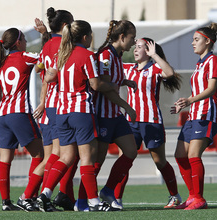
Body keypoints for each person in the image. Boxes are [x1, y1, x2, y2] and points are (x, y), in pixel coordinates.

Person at [37, 20, 120, 212]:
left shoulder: (61, 54)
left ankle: (45, 194)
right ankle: (94, 202)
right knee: (87, 159)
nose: (91, 38)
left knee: (65, 156)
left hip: (61, 111)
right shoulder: (87, 55)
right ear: (85, 37)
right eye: (90, 35)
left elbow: (48, 77)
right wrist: (113, 86)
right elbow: (95, 84)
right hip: (81, 111)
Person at [77, 20, 138, 211]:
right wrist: (127, 107)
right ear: (121, 37)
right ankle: (80, 201)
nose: (134, 42)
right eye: (132, 38)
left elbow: (113, 81)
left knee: (131, 151)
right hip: (103, 115)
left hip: (114, 115)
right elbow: (104, 88)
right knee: (96, 162)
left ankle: (108, 190)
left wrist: (125, 82)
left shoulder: (117, 56)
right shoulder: (105, 56)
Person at [119, 37, 182, 209]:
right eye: (136, 47)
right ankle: (116, 198)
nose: (135, 49)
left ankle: (175, 196)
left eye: (140, 47)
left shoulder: (155, 68)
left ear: (148, 51)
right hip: (130, 122)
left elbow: (169, 73)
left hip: (151, 121)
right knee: (124, 160)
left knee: (159, 161)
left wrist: (155, 55)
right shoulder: (127, 68)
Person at [0, 28, 45, 211]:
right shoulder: (25, 56)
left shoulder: (0, 62)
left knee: (5, 160)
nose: (27, 42)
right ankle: (29, 196)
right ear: (18, 43)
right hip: (19, 113)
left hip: (2, 115)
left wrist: (5, 111)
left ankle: (6, 202)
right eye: (25, 39)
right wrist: (45, 35)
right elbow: (46, 57)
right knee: (40, 155)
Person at [33, 8, 78, 211]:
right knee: (61, 155)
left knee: (57, 155)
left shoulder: (48, 44)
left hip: (49, 105)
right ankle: (33, 195)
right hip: (62, 104)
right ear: (65, 25)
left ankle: (52, 196)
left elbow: (38, 68)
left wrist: (45, 36)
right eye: (72, 22)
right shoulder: (66, 46)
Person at [171, 22, 217, 210]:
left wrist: (190, 100)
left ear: (208, 41)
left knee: (193, 155)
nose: (192, 43)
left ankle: (199, 198)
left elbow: (212, 89)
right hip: (193, 114)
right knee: (180, 155)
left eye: (196, 40)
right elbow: (198, 90)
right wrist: (184, 103)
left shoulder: (213, 60)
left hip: (206, 113)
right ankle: (192, 196)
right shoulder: (200, 63)